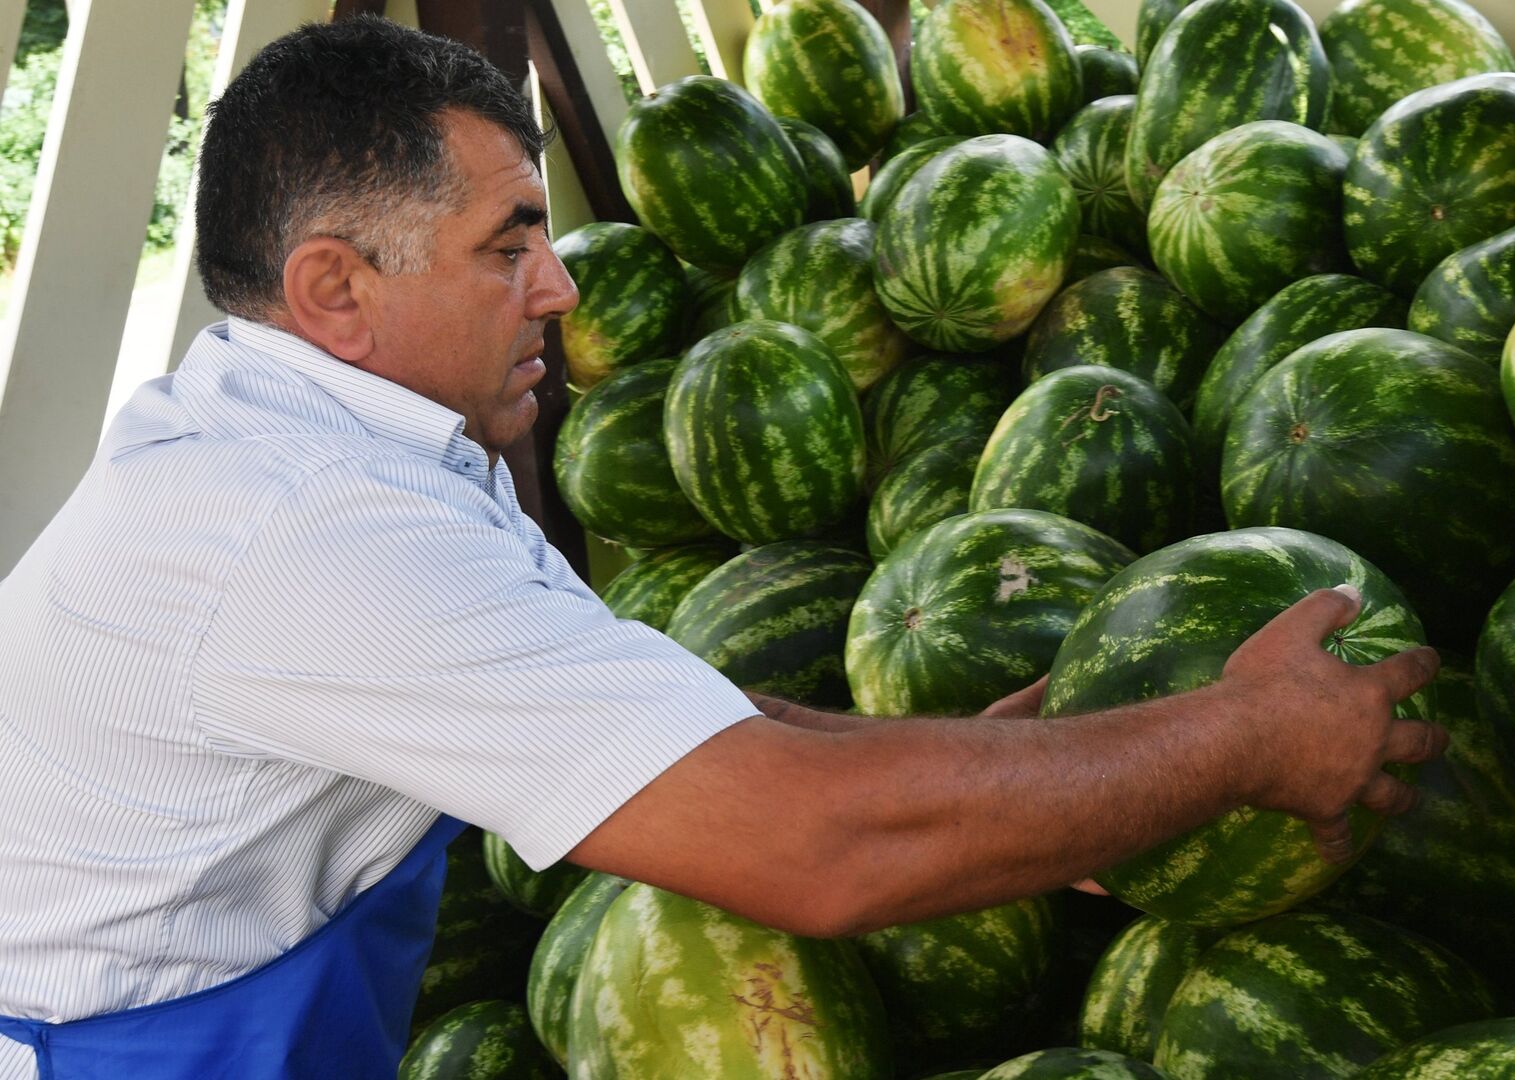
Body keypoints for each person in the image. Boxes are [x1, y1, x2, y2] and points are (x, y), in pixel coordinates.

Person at [0, 15, 1442, 1079]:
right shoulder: (307, 537)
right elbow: (814, 849)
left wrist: (985, 760)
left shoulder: (359, 450)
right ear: (337, 288)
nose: (561, 289)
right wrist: (1248, 741)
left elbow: (695, 727)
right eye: (510, 246)